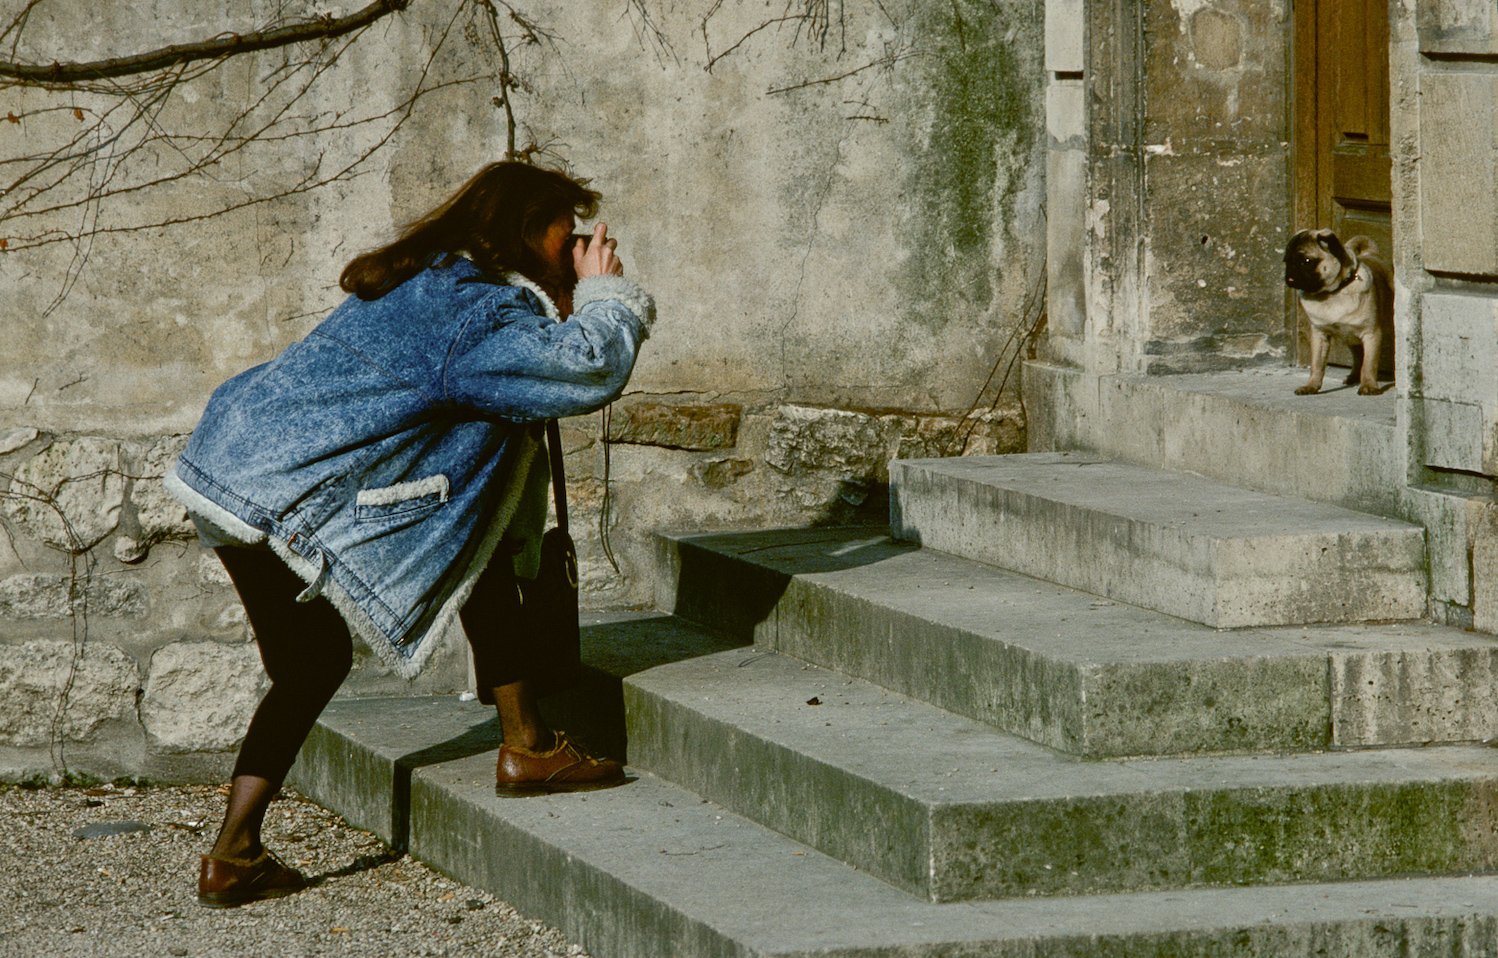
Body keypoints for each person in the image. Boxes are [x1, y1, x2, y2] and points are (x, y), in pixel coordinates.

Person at [164, 161, 654, 908]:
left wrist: (563, 289)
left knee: (445, 558)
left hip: (226, 468)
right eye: (567, 228)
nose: (580, 241)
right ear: (527, 231)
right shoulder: (477, 315)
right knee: (315, 658)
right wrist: (603, 293)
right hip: (284, 488)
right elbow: (584, 370)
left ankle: (523, 747)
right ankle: (234, 851)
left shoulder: (427, 277)